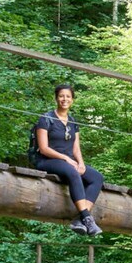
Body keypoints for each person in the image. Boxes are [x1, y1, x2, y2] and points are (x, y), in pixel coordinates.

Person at [32, 83, 104, 234]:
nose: (64, 99)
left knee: (96, 177)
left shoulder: (73, 122)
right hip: (47, 160)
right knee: (72, 171)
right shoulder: (46, 119)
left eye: (68, 96)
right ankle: (87, 218)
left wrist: (81, 163)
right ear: (56, 98)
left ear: (72, 100)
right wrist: (66, 158)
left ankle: (81, 218)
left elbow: (76, 148)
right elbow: (44, 148)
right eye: (61, 96)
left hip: (68, 161)